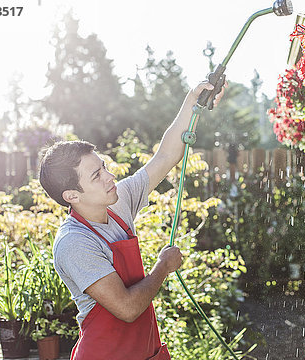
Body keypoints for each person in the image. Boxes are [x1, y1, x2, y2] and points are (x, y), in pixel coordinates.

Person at [39, 80, 224, 360]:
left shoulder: (118, 202)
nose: (110, 178)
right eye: (96, 176)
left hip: (144, 351)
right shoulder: (74, 243)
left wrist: (193, 102)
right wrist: (163, 266)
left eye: (104, 168)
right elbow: (126, 309)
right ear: (71, 196)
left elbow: (166, 155)